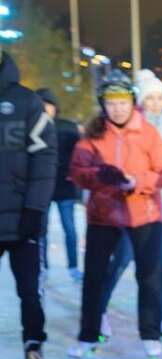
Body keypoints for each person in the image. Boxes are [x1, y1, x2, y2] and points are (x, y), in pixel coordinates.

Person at [67, 70, 162, 359]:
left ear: (132, 103)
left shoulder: (148, 133)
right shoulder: (93, 135)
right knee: (95, 277)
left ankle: (150, 333)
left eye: (123, 103)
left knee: (148, 276)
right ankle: (88, 334)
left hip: (143, 213)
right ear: (103, 105)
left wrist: (137, 181)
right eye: (111, 103)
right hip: (103, 214)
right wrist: (99, 175)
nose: (117, 109)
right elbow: (77, 171)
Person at [100, 70, 162, 344]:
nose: (155, 103)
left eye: (159, 98)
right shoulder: (129, 128)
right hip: (130, 208)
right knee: (120, 260)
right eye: (149, 98)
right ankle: (98, 310)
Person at [0, 51, 56, 359]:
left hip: (23, 220)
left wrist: (35, 209)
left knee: (30, 293)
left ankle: (34, 348)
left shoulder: (26, 101)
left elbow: (45, 158)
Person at [36, 87, 82, 282]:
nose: (46, 109)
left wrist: (74, 174)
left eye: (48, 105)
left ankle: (73, 266)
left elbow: (80, 154)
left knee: (69, 228)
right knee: (41, 229)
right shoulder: (32, 128)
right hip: (43, 186)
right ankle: (42, 266)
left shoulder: (68, 127)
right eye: (41, 105)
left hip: (65, 186)